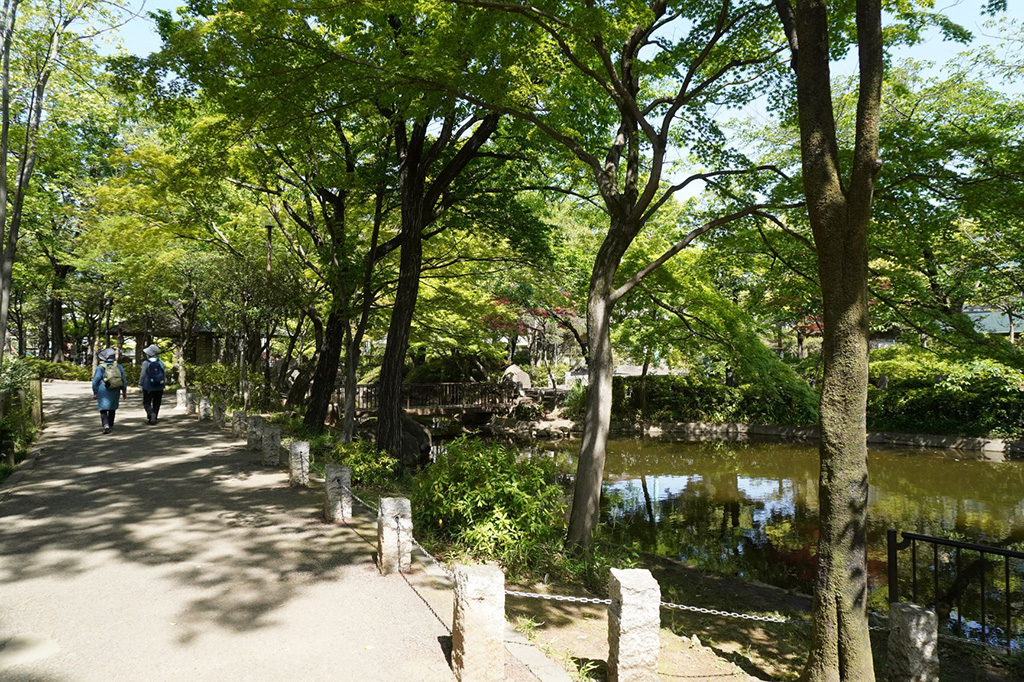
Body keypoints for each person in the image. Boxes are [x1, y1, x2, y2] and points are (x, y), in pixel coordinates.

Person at [92, 347, 127, 434]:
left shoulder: (100, 368)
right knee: (112, 407)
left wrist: (95, 392)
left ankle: (105, 424)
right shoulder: (118, 366)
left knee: (103, 408)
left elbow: (95, 381)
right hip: (115, 389)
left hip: (103, 390)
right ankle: (110, 425)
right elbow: (123, 380)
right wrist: (124, 391)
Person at [139, 344, 166, 424]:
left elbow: (143, 375)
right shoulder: (161, 362)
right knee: (157, 402)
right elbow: (163, 374)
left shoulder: (145, 363)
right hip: (159, 386)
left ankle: (151, 414)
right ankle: (154, 416)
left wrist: (140, 383)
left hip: (148, 386)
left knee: (146, 402)